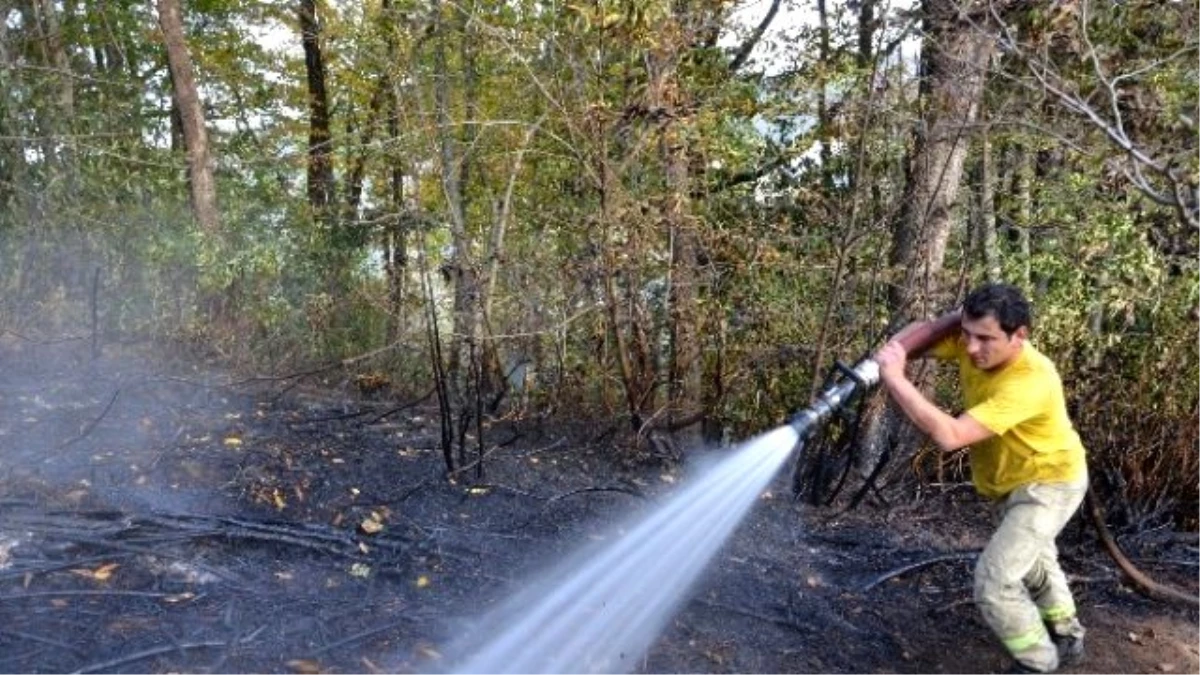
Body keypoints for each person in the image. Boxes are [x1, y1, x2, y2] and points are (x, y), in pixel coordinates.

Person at [874, 283, 1088, 674]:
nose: (971, 349)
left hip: (1051, 482)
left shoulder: (1031, 380)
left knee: (995, 581)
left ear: (1019, 335)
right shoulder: (976, 344)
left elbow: (950, 436)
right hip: (1011, 479)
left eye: (985, 338)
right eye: (967, 334)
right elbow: (911, 342)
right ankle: (1068, 634)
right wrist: (940, 327)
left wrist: (896, 379)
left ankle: (1038, 663)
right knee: (1034, 559)